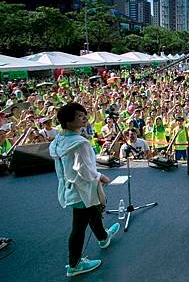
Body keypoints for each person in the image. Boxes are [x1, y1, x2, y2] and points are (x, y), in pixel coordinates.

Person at [48, 103, 120, 278]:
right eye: (79, 115)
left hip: (69, 187)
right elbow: (86, 170)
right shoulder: (80, 143)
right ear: (68, 121)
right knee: (78, 227)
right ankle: (74, 264)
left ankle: (103, 238)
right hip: (82, 189)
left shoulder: (58, 140)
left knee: (92, 213)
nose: (84, 118)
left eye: (84, 114)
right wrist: (100, 177)